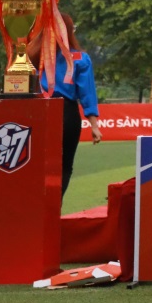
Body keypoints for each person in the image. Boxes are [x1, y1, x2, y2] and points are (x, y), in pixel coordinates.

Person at [37, 11, 102, 198]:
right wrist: (94, 125)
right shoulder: (81, 58)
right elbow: (87, 93)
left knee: (36, 162)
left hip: (38, 112)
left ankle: (37, 204)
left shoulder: (34, 56)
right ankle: (54, 205)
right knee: (64, 165)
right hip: (67, 113)